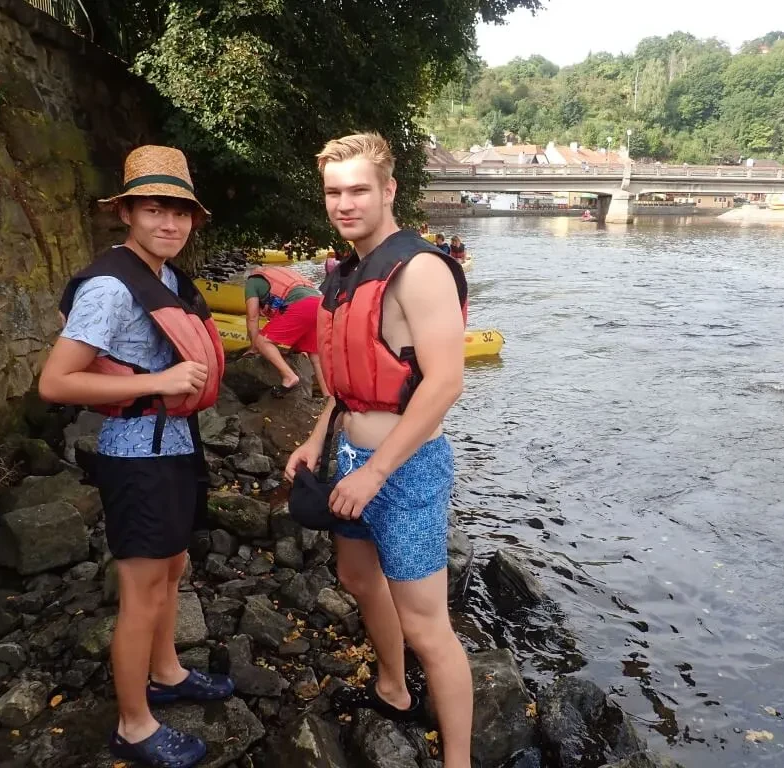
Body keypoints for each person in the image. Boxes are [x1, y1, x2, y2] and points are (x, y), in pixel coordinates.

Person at [39, 145, 234, 768]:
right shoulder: (108, 287)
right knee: (142, 590)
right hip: (135, 454)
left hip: (174, 444)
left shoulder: (166, 277)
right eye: (153, 210)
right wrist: (159, 381)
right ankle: (133, 724)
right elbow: (56, 382)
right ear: (126, 213)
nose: (169, 224)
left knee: (172, 568)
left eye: (180, 212)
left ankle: (167, 671)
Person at [285, 133, 473, 767]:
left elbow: (444, 384)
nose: (345, 203)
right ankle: (393, 688)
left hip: (407, 468)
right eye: (333, 192)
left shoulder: (420, 270)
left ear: (389, 190)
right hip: (350, 458)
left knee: (427, 626)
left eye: (359, 190)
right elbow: (349, 386)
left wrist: (377, 472)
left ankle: (459, 760)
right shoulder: (343, 275)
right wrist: (317, 439)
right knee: (358, 579)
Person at [244, 266, 329, 397]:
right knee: (315, 355)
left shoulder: (252, 282)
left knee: (262, 341)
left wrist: (254, 347)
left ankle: (289, 376)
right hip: (320, 305)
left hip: (302, 305)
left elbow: (252, 317)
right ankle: (329, 398)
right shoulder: (280, 274)